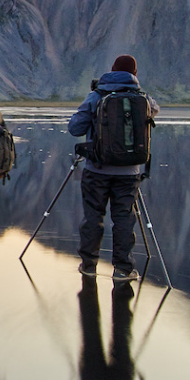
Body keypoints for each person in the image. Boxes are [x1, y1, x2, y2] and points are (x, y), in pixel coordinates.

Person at [66, 54, 159, 283]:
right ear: (134, 74)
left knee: (93, 217)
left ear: (112, 70)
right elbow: (154, 111)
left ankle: (89, 266)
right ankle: (123, 270)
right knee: (124, 219)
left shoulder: (96, 96)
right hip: (129, 173)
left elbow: (75, 128)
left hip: (96, 169)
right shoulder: (144, 99)